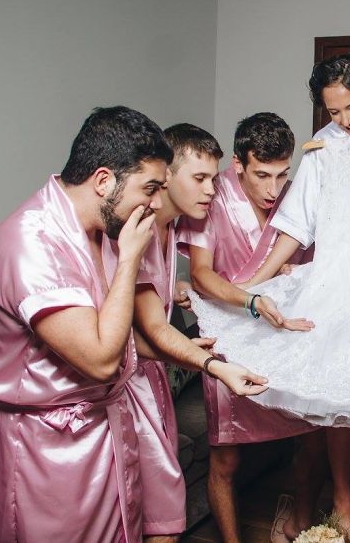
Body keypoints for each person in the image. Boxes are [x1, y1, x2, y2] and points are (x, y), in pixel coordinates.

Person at [189, 51, 350, 527]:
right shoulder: (321, 148)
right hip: (339, 283)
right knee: (338, 392)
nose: (345, 119)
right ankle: (343, 498)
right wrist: (255, 284)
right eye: (334, 111)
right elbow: (296, 227)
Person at [0, 106, 171, 542]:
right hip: (46, 452)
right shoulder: (31, 241)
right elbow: (100, 360)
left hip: (103, 433)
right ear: (103, 180)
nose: (155, 204)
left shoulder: (103, 230)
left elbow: (128, 336)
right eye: (149, 188)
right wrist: (130, 259)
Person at [100, 123, 269, 542]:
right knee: (152, 516)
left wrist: (174, 291)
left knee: (161, 513)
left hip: (153, 378)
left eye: (213, 179)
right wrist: (211, 364)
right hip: (126, 388)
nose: (211, 190)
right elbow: (153, 327)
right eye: (199, 178)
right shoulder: (136, 230)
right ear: (166, 176)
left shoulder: (173, 228)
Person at [176, 113, 326, 543]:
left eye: (282, 174)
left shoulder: (296, 196)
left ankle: (299, 523)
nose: (274, 189)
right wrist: (251, 299)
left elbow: (313, 266)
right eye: (262, 175)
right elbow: (201, 274)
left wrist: (295, 278)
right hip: (229, 336)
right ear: (238, 164)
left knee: (313, 438)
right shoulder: (212, 195)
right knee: (226, 458)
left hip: (285, 332)